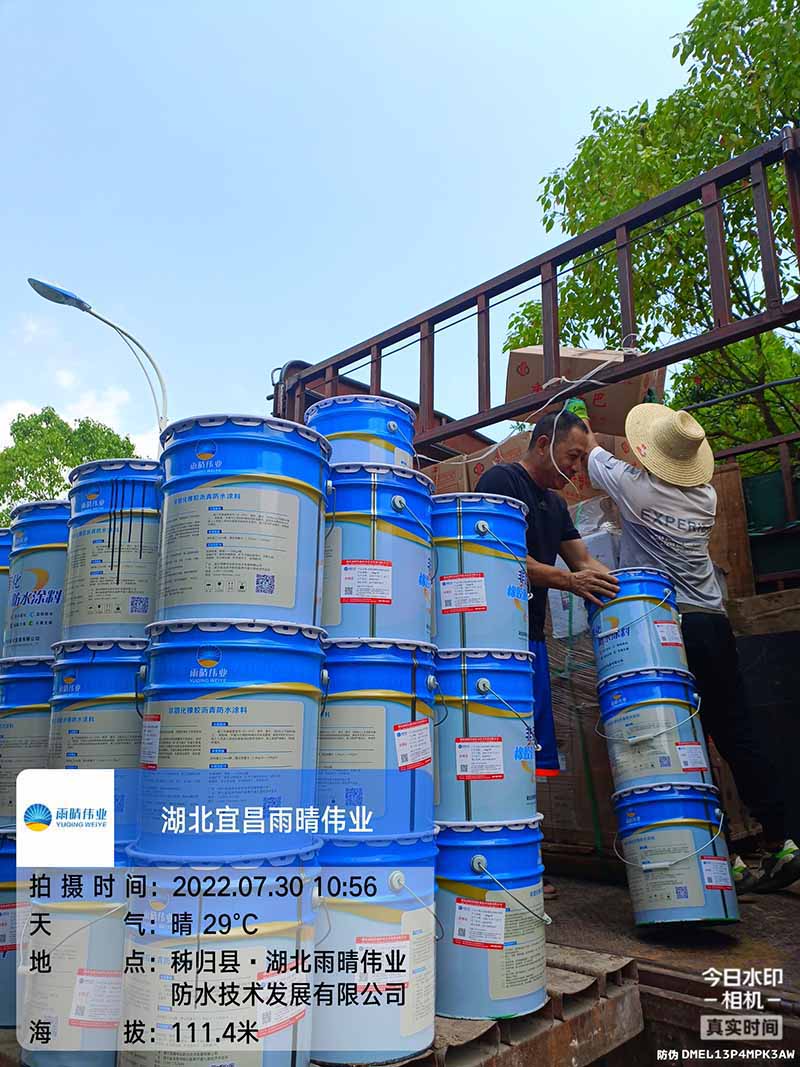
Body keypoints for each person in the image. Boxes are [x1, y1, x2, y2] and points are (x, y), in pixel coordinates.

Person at [585, 403, 799, 894]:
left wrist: (582, 413)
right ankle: (782, 841)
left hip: (666, 625)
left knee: (679, 736)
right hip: (713, 622)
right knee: (736, 733)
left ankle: (717, 855)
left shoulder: (635, 490)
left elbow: (591, 451)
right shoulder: (706, 496)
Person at [475, 411, 620, 896]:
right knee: (493, 747)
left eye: (581, 459)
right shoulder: (502, 481)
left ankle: (522, 859)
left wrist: (635, 593)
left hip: (531, 640)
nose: (577, 468)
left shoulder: (555, 505)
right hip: (494, 641)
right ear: (543, 445)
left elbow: (585, 561)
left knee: (525, 752)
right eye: (573, 456)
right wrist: (568, 580)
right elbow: (499, 554)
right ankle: (494, 858)